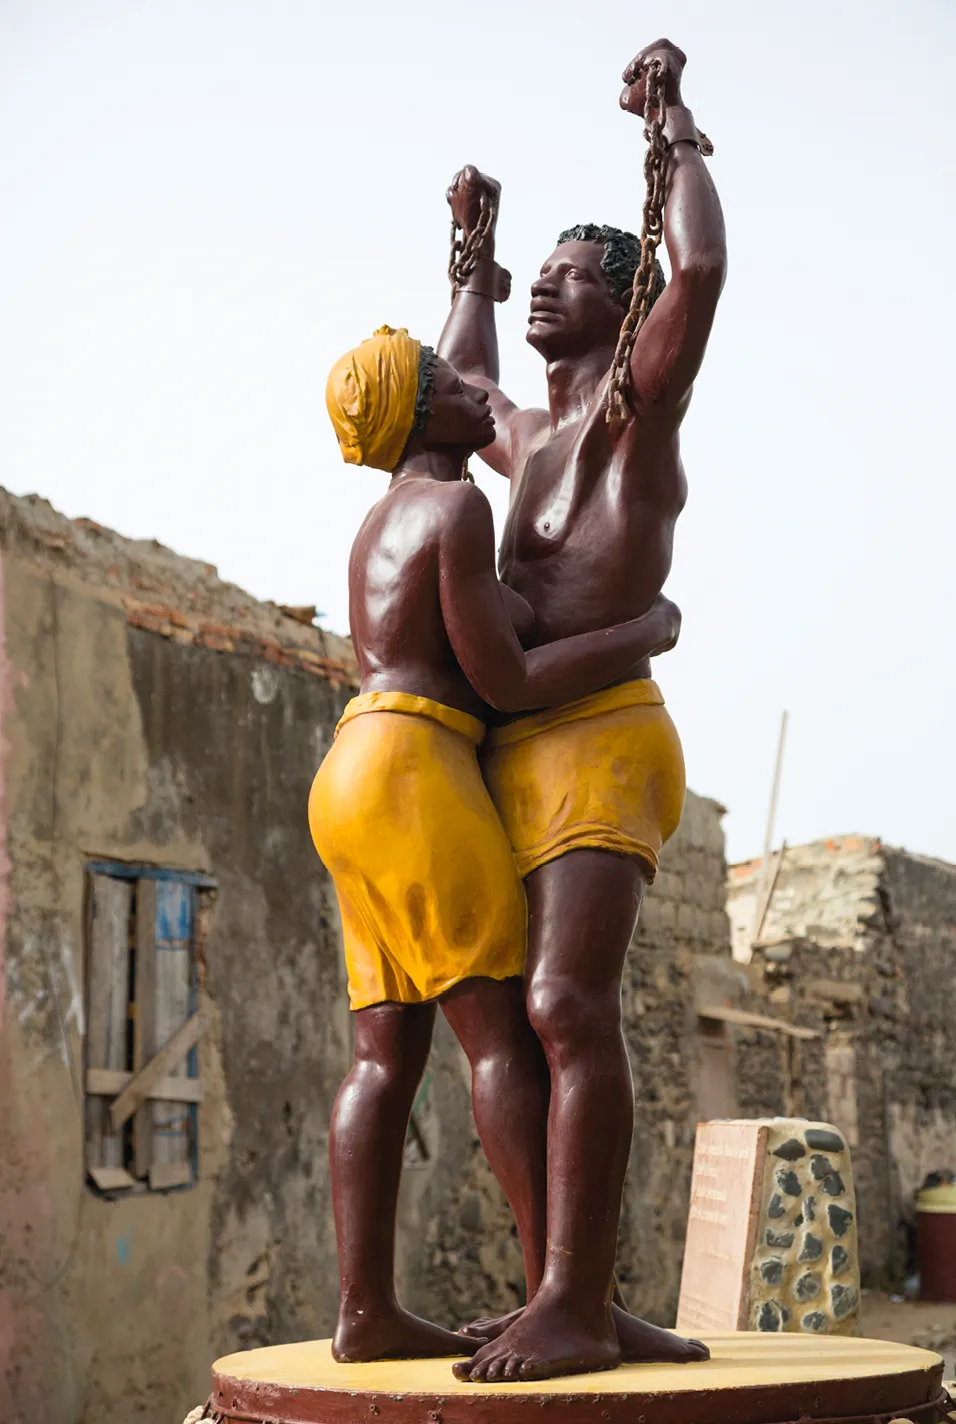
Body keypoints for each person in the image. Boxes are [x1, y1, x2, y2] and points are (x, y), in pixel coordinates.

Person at [437, 38, 728, 1382]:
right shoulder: (525, 435)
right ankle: (579, 1301)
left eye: (573, 271)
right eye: (540, 274)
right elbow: (457, 395)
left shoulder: (627, 416)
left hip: (603, 737)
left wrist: (667, 127)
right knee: (511, 1026)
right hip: (512, 746)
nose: (550, 283)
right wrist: (474, 266)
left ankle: (572, 1301)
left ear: (625, 312)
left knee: (568, 1008)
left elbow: (703, 271)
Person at [311, 324, 681, 1363]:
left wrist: (470, 264)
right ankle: (568, 1304)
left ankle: (364, 1308)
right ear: (417, 413)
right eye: (444, 382)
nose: (472, 387)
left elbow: (456, 631)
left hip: (346, 772)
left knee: (381, 1056)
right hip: (415, 771)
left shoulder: (377, 522)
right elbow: (502, 684)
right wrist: (636, 633)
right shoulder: (459, 505)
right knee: (502, 1041)